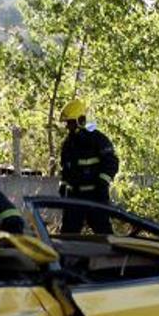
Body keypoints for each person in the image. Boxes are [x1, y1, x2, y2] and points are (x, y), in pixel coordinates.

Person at [58, 98, 118, 235]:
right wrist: (63, 186)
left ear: (80, 120)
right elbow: (66, 170)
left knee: (104, 234)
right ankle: (71, 257)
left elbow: (112, 162)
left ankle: (112, 257)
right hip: (74, 197)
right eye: (67, 123)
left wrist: (103, 182)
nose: (68, 126)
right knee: (68, 235)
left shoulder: (98, 139)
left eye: (70, 122)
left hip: (96, 196)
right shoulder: (68, 144)